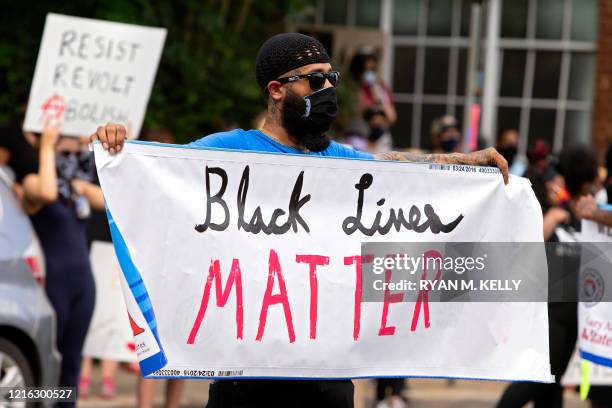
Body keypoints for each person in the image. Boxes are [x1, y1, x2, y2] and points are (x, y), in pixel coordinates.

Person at [92, 32, 509, 408]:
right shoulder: (224, 153)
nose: (328, 89)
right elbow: (159, 181)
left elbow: (400, 172)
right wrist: (117, 150)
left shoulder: (339, 163)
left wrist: (467, 162)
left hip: (327, 385)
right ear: (276, 90)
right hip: (245, 385)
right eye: (314, 79)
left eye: (332, 78)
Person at [497, 144, 600, 408]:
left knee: (552, 383)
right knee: (537, 379)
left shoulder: (592, 216)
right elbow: (525, 251)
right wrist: (550, 221)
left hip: (576, 313)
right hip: (549, 312)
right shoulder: (556, 213)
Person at [20, 122, 105, 407]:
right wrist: (45, 145)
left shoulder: (77, 188)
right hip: (52, 285)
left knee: (72, 361)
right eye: (63, 148)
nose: (71, 152)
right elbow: (46, 194)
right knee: (47, 358)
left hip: (83, 286)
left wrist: (95, 148)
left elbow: (108, 200)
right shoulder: (31, 183)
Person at [349, 46, 397, 124]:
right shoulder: (351, 86)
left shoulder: (380, 85)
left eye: (372, 62)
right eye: (365, 62)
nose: (369, 66)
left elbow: (391, 116)